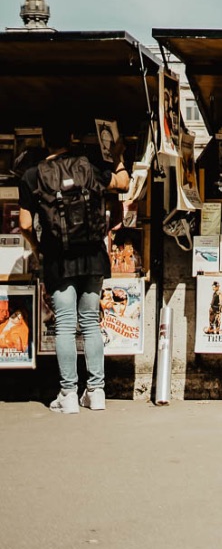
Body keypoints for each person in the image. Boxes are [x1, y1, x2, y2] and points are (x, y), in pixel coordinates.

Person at [19, 126, 129, 413]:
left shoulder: (33, 175)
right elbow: (122, 183)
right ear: (71, 138)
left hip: (58, 258)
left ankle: (68, 395)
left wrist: (36, 248)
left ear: (44, 141)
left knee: (66, 325)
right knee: (91, 322)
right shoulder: (89, 168)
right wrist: (118, 157)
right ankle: (96, 391)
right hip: (93, 257)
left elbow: (25, 224)